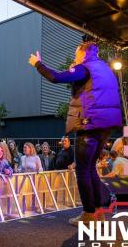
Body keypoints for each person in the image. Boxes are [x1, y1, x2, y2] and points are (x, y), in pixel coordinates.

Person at [29, 41, 122, 226]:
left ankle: (88, 214)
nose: (74, 56)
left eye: (76, 53)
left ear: (83, 52)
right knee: (90, 169)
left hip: (89, 124)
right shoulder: (104, 69)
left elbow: (56, 77)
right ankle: (98, 213)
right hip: (105, 126)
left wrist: (37, 64)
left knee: (82, 171)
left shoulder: (85, 68)